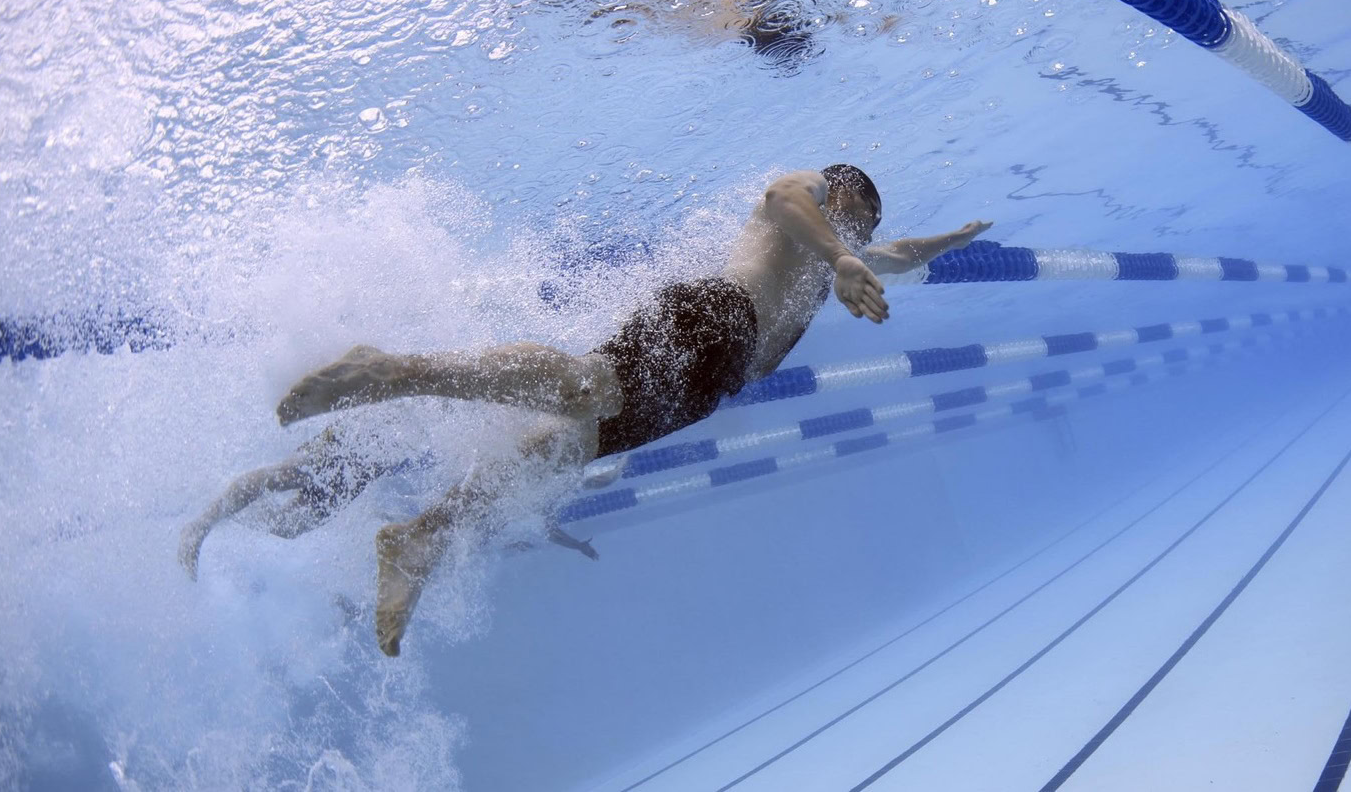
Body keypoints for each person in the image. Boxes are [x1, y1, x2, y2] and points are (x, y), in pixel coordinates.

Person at [179, 165, 991, 656]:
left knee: (553, 452)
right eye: (855, 217)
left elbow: (894, 255)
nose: (859, 233)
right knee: (579, 388)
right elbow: (786, 197)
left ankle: (421, 536)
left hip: (707, 386)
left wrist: (947, 241)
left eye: (862, 229)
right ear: (841, 196)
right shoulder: (811, 208)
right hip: (713, 317)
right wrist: (844, 252)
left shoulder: (836, 262)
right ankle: (389, 372)